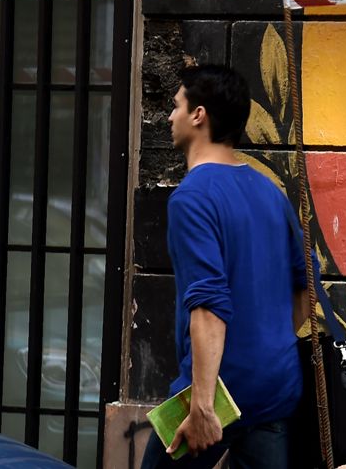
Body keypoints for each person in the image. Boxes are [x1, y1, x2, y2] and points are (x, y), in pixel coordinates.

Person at [140, 64, 309, 469]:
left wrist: (201, 407)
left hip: (216, 395)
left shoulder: (192, 198)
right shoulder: (270, 191)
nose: (169, 116)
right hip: (276, 390)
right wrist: (266, 346)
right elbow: (307, 284)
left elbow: (209, 305)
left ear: (199, 115)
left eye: (177, 105)